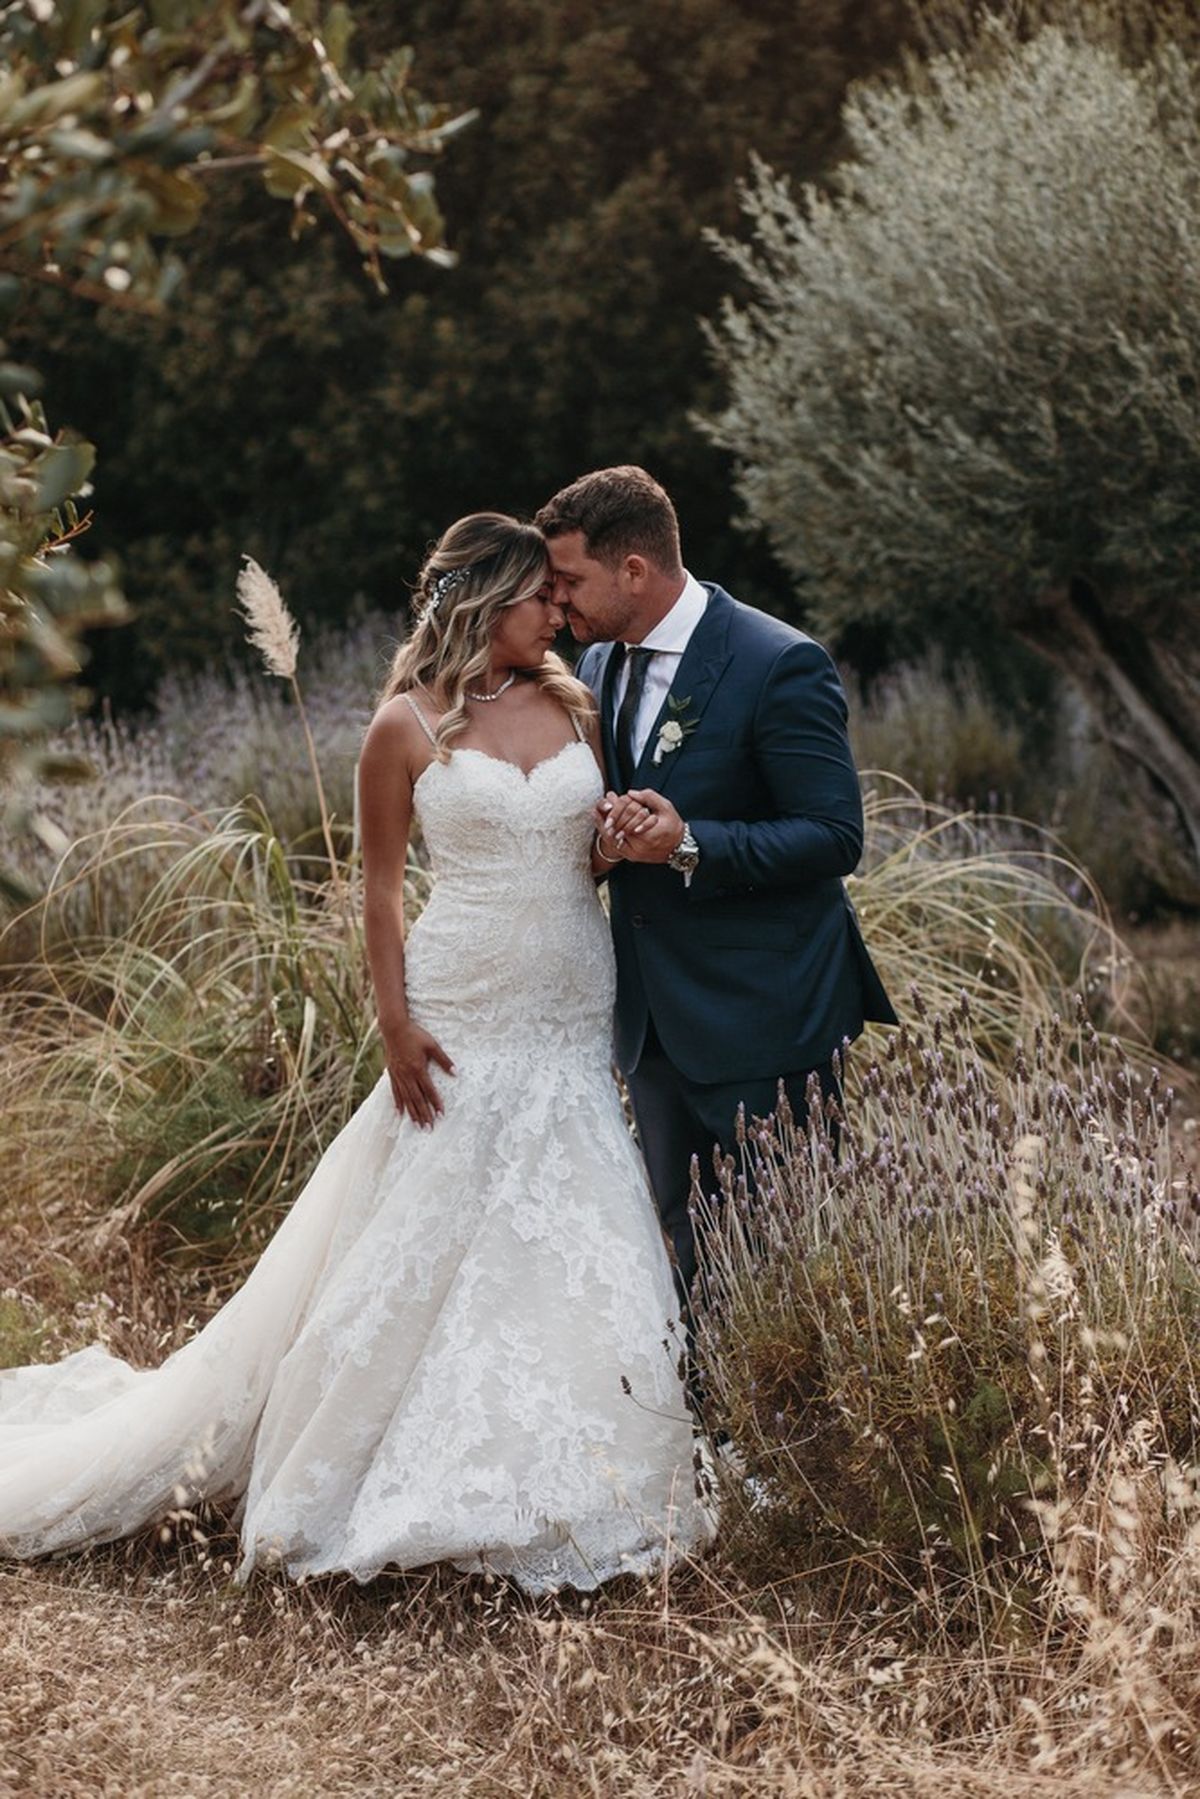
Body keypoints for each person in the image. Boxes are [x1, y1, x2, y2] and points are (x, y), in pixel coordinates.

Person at [0, 512, 713, 1594]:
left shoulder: (575, 707)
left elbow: (587, 859)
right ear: (486, 603)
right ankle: (384, 1465)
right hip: (460, 999)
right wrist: (393, 1022)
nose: (560, 614)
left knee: (572, 1210)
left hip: (568, 1001)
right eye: (542, 600)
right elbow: (380, 891)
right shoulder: (404, 726)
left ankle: (581, 1465)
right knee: (430, 1211)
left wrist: (614, 844)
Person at [535, 467, 897, 1313]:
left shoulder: (779, 663)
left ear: (634, 569)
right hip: (654, 1024)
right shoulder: (597, 660)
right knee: (690, 1253)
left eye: (570, 581)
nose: (556, 603)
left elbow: (835, 836)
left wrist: (690, 841)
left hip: (767, 1016)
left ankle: (792, 1440)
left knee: (787, 1264)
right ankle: (717, 1443)